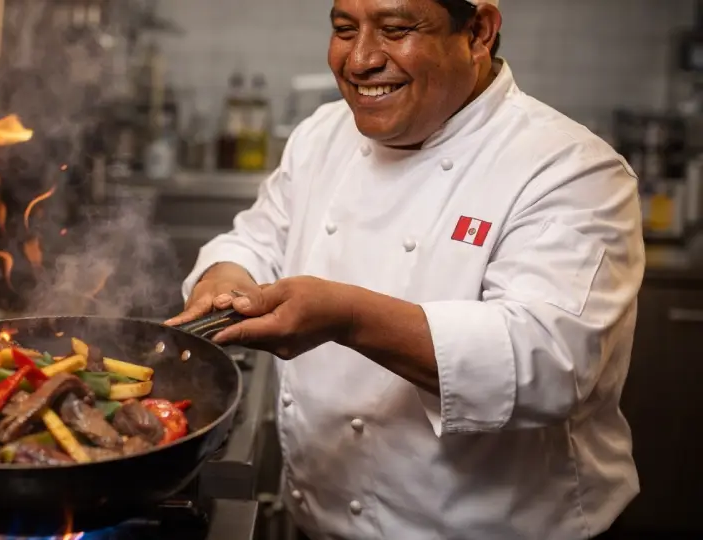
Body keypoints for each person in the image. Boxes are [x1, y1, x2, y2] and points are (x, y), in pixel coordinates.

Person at [166, 0, 645, 538]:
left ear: (479, 32)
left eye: (395, 30)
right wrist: (225, 277)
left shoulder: (568, 168)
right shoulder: (322, 134)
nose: (361, 60)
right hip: (316, 522)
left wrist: (346, 317)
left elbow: (549, 363)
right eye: (345, 29)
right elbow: (255, 239)